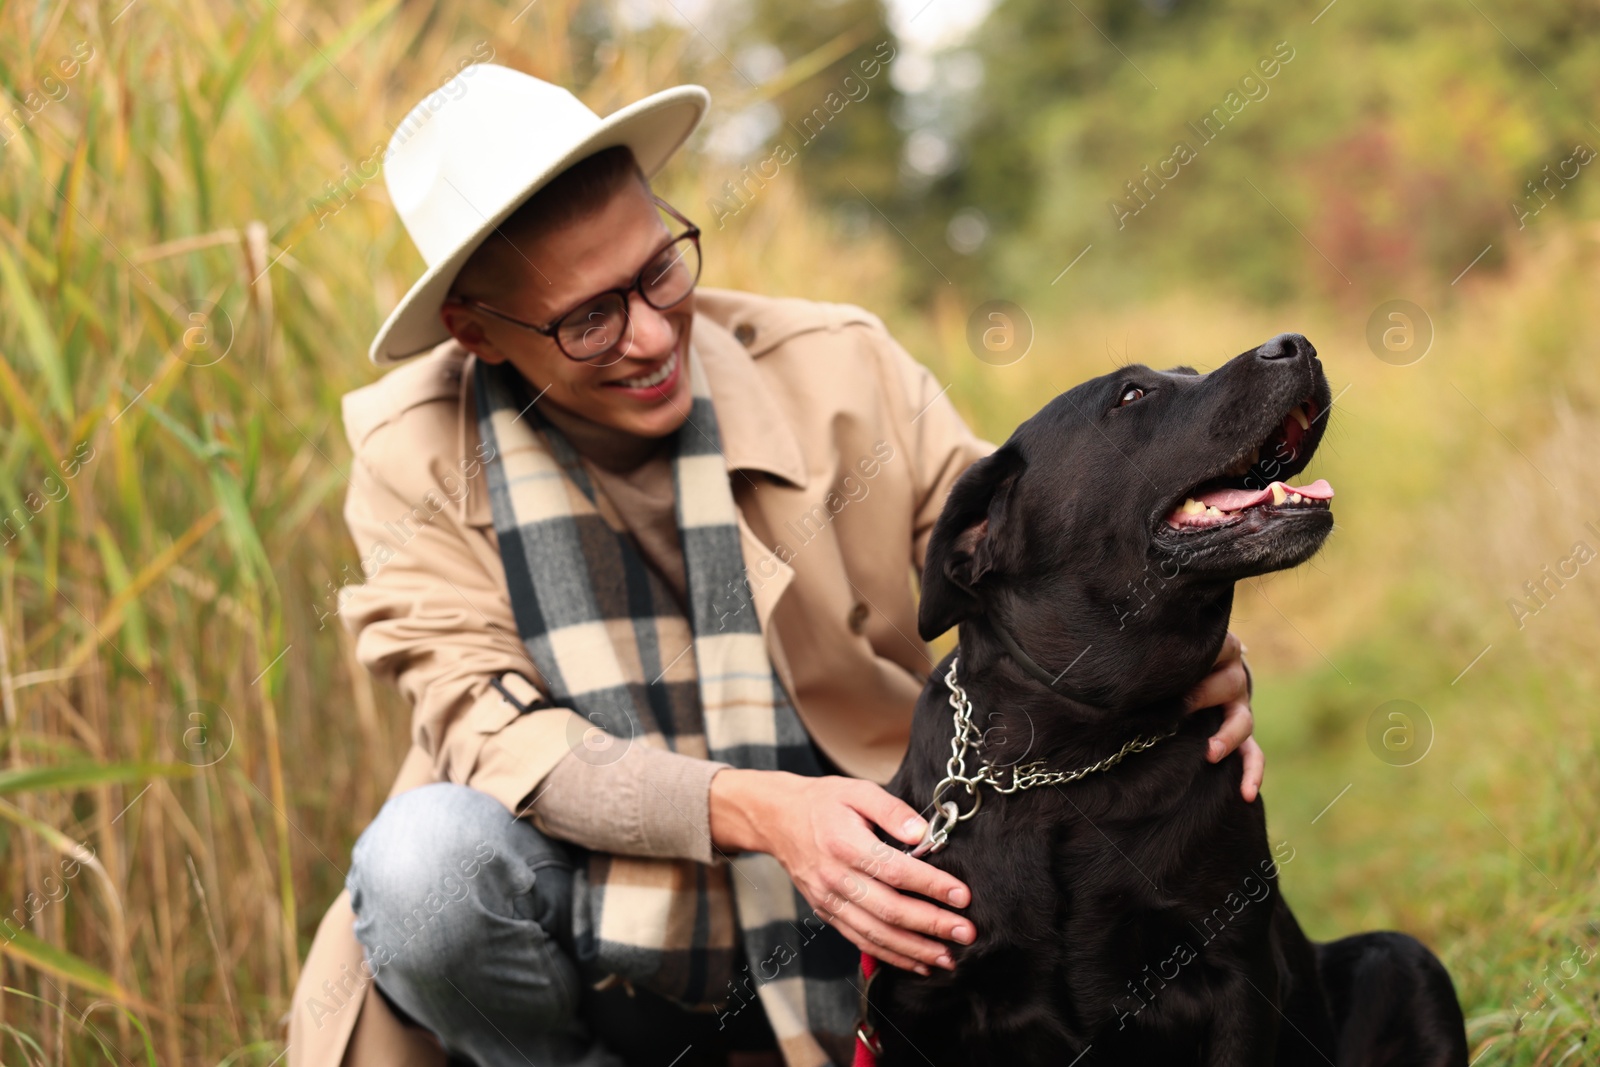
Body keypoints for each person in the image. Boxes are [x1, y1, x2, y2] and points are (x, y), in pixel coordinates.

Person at [288, 65, 1262, 1067]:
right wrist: (760, 809)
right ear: (475, 332)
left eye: (660, 268)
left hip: (880, 891)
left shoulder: (837, 366)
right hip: (595, 937)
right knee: (421, 872)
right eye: (590, 319)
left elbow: (1046, 552)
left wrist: (1182, 651)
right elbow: (493, 735)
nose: (655, 334)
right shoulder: (412, 455)